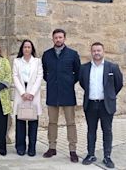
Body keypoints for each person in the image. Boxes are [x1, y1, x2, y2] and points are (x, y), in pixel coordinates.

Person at [79, 42, 123, 168]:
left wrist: (110, 96)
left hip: (106, 105)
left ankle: (107, 157)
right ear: (91, 52)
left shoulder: (112, 67)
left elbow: (118, 84)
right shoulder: (84, 68)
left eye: (99, 50)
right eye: (94, 51)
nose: (96, 53)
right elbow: (83, 84)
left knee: (107, 131)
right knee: (91, 131)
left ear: (103, 52)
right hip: (91, 104)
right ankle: (91, 154)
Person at [42, 28, 81, 162]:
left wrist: (68, 82)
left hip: (67, 93)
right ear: (52, 39)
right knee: (52, 122)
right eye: (56, 37)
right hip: (52, 93)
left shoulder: (73, 54)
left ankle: (72, 150)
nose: (58, 39)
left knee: (70, 123)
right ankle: (52, 147)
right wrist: (54, 82)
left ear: (64, 38)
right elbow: (45, 73)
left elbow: (78, 73)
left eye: (60, 37)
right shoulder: (47, 55)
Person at [12, 40, 43, 157]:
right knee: (20, 121)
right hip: (21, 93)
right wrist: (23, 93)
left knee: (33, 123)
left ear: (32, 49)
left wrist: (31, 93)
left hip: (33, 95)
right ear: (22, 49)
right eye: (25, 47)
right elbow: (14, 76)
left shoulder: (37, 62)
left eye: (29, 47)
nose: (26, 49)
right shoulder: (17, 61)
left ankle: (32, 148)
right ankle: (20, 147)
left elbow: (40, 77)